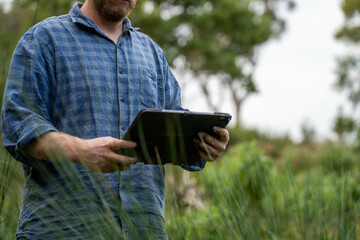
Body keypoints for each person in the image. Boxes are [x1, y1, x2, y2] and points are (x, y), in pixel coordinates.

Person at [1, 0, 230, 239]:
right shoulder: (43, 39)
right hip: (63, 230)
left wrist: (204, 143)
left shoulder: (152, 53)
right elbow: (18, 126)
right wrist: (82, 151)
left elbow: (174, 129)